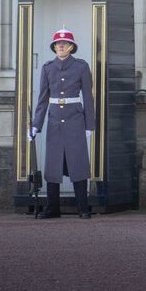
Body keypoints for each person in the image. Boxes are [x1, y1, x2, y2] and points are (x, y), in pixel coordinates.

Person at [30, 28, 95, 219]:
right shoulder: (48, 68)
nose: (60, 46)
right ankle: (52, 208)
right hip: (55, 120)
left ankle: (83, 207)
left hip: (75, 119)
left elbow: (88, 98)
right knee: (53, 164)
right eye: (58, 44)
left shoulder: (81, 67)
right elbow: (42, 99)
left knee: (78, 162)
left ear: (71, 47)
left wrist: (89, 124)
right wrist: (36, 124)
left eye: (64, 43)